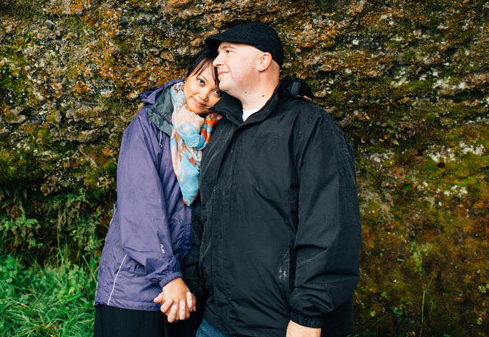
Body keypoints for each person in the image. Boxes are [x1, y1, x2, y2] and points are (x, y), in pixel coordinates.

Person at [172, 22, 361, 337]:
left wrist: (308, 317)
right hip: (218, 321)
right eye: (217, 53)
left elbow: (330, 226)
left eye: (228, 51)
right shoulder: (222, 129)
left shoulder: (310, 126)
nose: (217, 61)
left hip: (282, 326)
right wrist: (193, 284)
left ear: (263, 60)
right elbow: (204, 218)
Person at [94, 47, 223, 337]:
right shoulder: (151, 123)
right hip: (135, 286)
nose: (204, 95)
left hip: (189, 290)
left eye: (217, 92)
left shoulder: (221, 132)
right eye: (200, 81)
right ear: (187, 75)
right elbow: (140, 205)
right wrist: (168, 277)